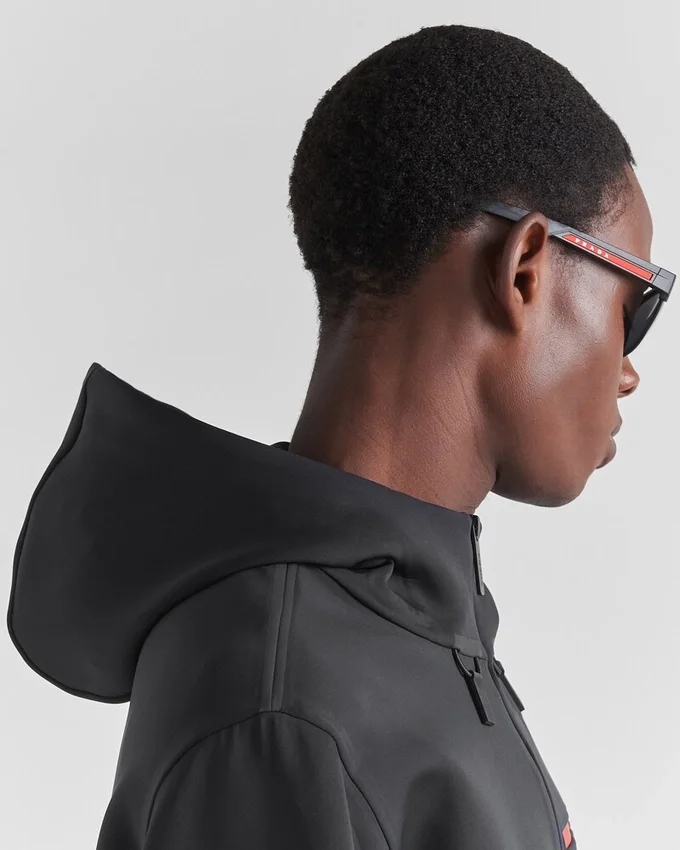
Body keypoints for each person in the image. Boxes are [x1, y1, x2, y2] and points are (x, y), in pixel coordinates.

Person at [7, 23, 674, 850]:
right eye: (635, 305)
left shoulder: (402, 625)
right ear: (526, 268)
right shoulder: (280, 714)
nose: (627, 371)